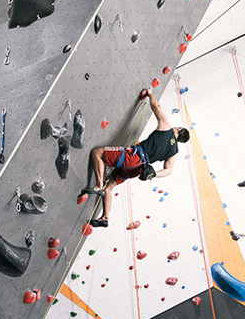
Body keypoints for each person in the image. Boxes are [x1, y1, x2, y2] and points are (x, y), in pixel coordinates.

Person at [81, 88, 190, 228]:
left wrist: (150, 94)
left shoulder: (167, 128)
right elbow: (168, 171)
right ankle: (105, 217)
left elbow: (156, 106)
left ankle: (98, 186)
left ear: (179, 129)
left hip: (133, 157)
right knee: (111, 186)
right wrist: (154, 174)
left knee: (97, 153)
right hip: (137, 170)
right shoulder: (174, 152)